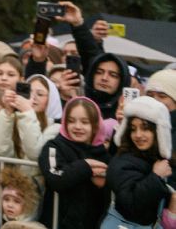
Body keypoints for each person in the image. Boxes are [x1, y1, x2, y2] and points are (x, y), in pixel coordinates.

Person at [39, 97, 112, 229]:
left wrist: (104, 184)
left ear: (95, 126)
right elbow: (55, 177)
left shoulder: (103, 154)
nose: (77, 127)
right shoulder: (54, 146)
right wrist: (85, 166)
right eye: (71, 121)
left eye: (85, 122)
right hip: (58, 223)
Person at [104, 96, 175, 229]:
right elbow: (131, 205)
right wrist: (156, 176)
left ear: (159, 131)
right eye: (133, 128)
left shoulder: (159, 160)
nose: (137, 135)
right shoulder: (122, 161)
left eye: (145, 128)